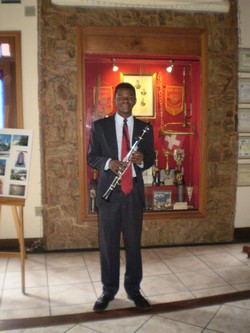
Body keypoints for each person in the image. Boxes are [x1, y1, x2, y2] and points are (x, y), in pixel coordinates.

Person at [88, 82, 155, 312]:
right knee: (108, 244)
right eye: (121, 97)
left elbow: (152, 157)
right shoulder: (100, 126)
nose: (125, 101)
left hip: (133, 192)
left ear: (135, 100)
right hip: (109, 193)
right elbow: (92, 157)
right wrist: (108, 163)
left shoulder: (145, 128)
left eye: (129, 97)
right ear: (115, 100)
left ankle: (134, 290)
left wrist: (142, 159)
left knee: (134, 244)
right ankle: (108, 291)